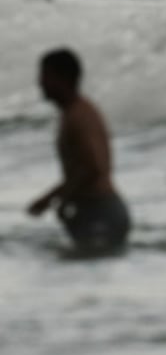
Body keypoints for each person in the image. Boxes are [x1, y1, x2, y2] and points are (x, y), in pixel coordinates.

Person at [27, 47, 132, 251]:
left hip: (100, 211)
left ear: (63, 77)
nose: (40, 83)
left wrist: (58, 198)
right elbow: (85, 167)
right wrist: (52, 199)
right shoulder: (75, 112)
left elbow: (93, 167)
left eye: (45, 75)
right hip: (96, 211)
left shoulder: (78, 115)